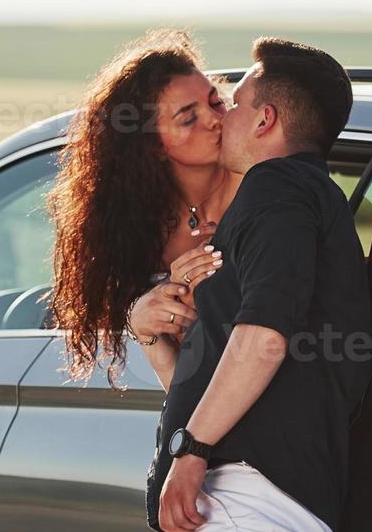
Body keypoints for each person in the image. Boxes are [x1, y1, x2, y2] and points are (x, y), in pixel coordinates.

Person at [127, 37, 372, 532]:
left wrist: (189, 451)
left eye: (233, 104)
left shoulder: (277, 187)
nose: (221, 117)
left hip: (252, 510)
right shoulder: (305, 199)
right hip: (266, 515)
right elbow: (216, 377)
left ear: (265, 118)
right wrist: (148, 332)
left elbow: (264, 339)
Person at [47, 27, 237, 388]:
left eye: (215, 101)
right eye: (188, 117)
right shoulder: (132, 224)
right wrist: (144, 324)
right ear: (153, 145)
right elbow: (180, 385)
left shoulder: (258, 189)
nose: (216, 118)